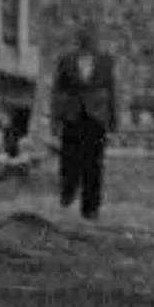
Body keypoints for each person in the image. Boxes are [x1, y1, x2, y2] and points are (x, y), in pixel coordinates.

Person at [50, 22, 117, 220]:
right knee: (69, 159)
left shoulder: (106, 61)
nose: (87, 41)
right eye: (83, 37)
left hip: (96, 118)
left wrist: (113, 120)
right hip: (72, 115)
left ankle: (91, 208)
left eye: (90, 37)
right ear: (78, 40)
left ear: (95, 40)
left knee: (94, 164)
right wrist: (55, 119)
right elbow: (57, 91)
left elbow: (112, 90)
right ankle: (68, 189)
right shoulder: (66, 61)